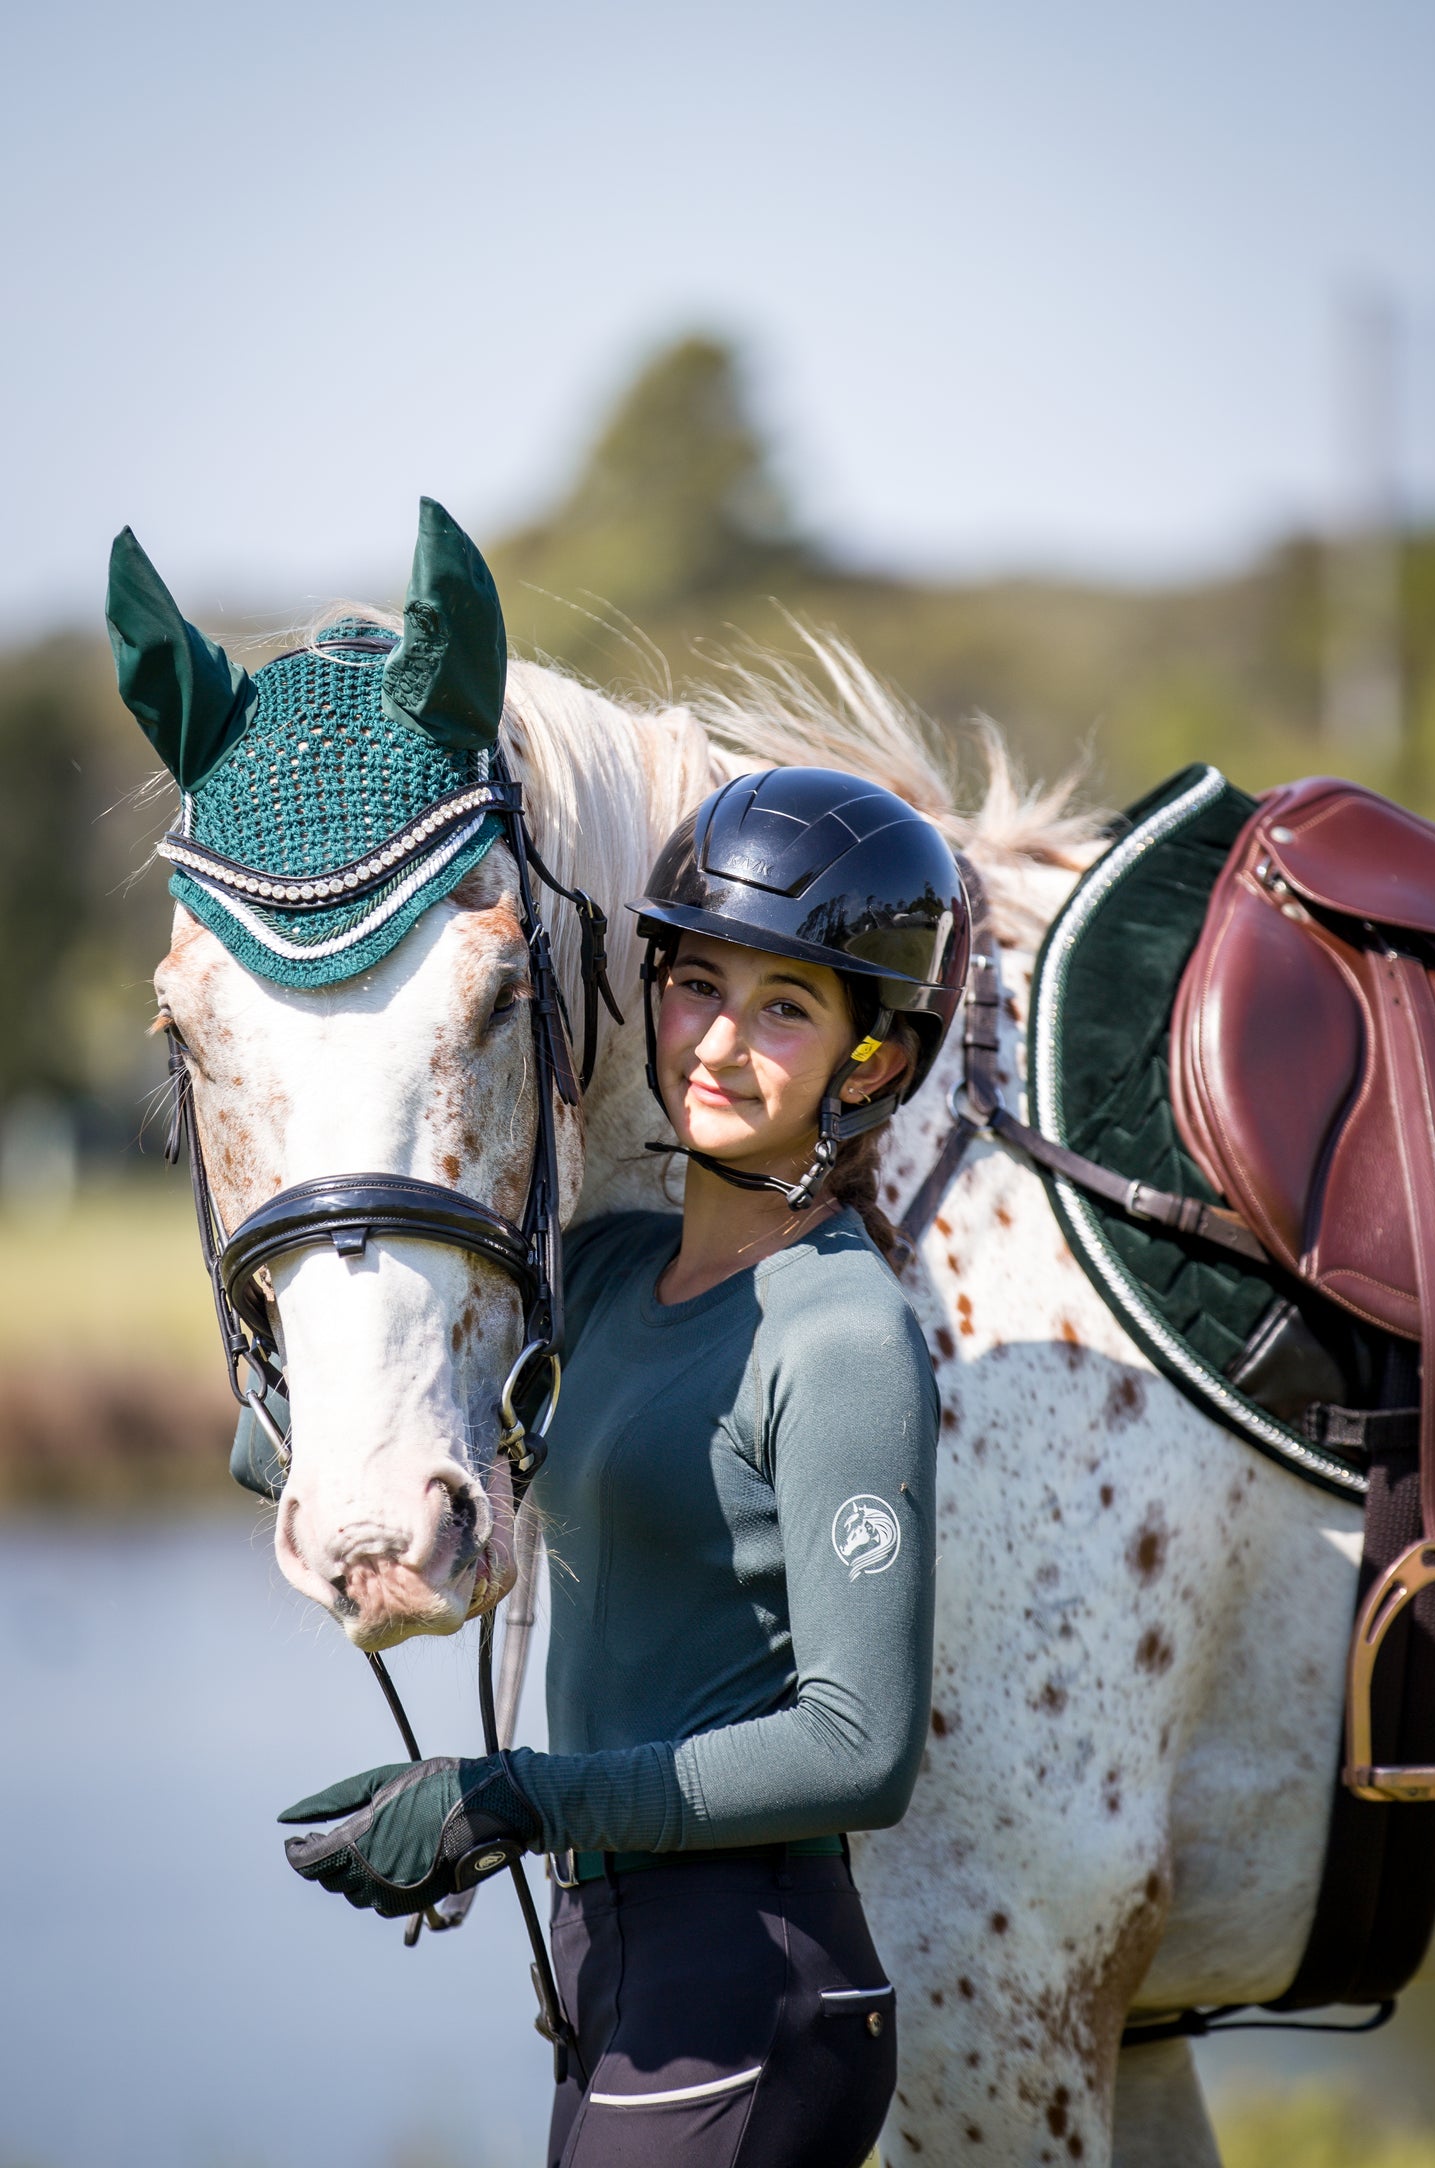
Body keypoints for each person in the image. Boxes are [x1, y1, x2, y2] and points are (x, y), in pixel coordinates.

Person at [280, 767, 969, 2168]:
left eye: (786, 1006)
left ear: (872, 1058)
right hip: (610, 1964)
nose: (718, 1041)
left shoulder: (841, 1334)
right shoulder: (596, 1275)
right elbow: (326, 1410)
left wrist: (518, 1798)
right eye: (695, 982)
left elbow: (859, 1747)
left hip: (751, 1977)